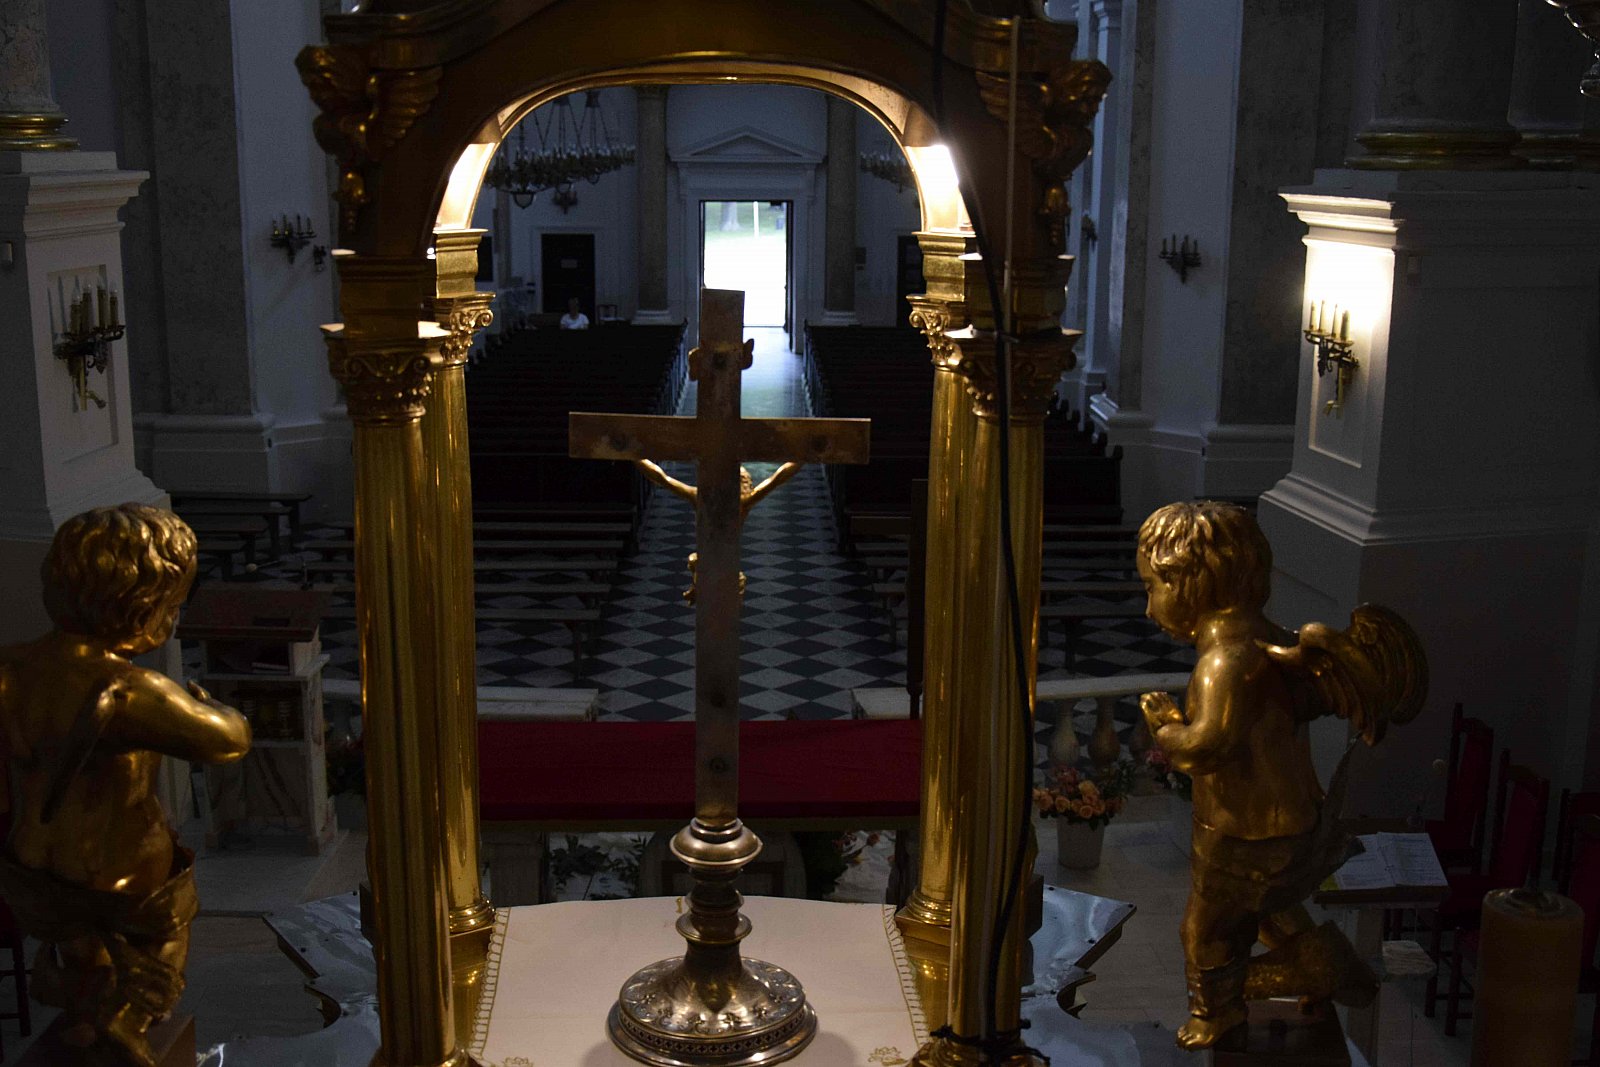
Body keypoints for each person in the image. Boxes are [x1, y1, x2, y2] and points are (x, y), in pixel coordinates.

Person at [1135, 501, 1426, 1050]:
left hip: (1240, 836)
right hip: (1292, 826)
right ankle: (1324, 964)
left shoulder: (1222, 663)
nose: (1149, 608)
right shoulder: (1273, 642)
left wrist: (1166, 726)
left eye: (1153, 587)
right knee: (1268, 910)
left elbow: (1205, 748)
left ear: (1192, 582)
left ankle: (1222, 1010)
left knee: (1203, 933)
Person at [0, 504, 252, 1066]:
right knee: (169, 926)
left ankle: (81, 1013)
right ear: (145, 607)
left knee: (80, 944)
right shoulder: (128, 690)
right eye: (173, 606)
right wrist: (215, 706)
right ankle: (131, 1014)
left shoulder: (9, 669)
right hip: (123, 875)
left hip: (31, 866)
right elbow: (227, 742)